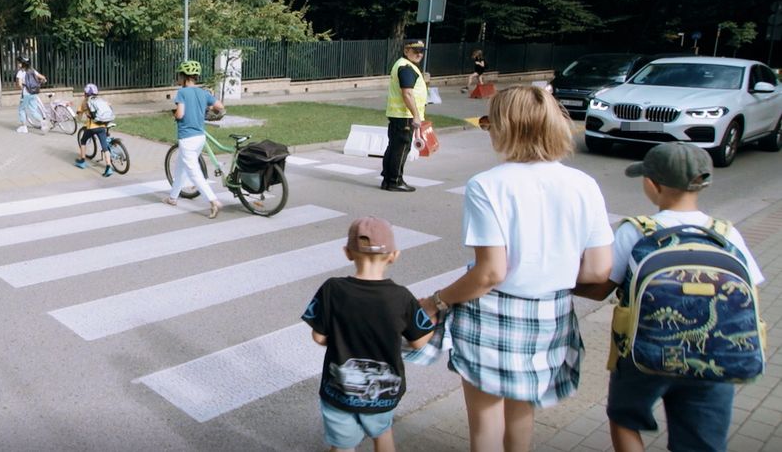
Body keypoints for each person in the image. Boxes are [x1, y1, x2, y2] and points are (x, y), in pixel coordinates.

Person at [418, 85, 614, 452]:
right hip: (549, 316)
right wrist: (548, 271)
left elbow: (490, 273)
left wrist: (435, 302)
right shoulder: (584, 185)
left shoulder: (488, 185)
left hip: (493, 314)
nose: (488, 129)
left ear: (507, 127)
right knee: (522, 420)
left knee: (485, 428)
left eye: (489, 121)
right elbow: (599, 271)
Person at [574, 142, 764, 452]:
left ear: (652, 184)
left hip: (643, 354)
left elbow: (599, 287)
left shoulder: (636, 231)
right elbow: (751, 291)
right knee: (702, 440)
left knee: (624, 418)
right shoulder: (726, 234)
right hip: (715, 358)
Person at [302, 216, 434, 452]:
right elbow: (420, 341)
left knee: (341, 446)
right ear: (394, 255)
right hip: (382, 399)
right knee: (383, 435)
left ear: (347, 253)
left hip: (338, 391)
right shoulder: (402, 297)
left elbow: (318, 337)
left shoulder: (332, 289)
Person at [164, 60, 225, 218]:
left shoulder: (182, 93)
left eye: (179, 75)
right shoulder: (203, 92)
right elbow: (220, 106)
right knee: (180, 167)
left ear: (184, 77)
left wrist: (175, 114)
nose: (178, 78)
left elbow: (180, 114)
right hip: (200, 136)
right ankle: (173, 197)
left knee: (193, 172)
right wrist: (208, 107)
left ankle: (213, 201)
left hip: (187, 137)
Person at [381, 39, 427, 192]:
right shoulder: (406, 67)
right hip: (405, 115)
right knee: (401, 148)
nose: (419, 54)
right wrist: (416, 115)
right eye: (415, 51)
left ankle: (388, 179)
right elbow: (407, 93)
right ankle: (395, 181)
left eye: (421, 51)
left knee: (393, 146)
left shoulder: (402, 64)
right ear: (406, 50)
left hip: (398, 114)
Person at [73, 83, 114, 178]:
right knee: (104, 146)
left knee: (83, 141)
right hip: (103, 125)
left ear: (86, 93)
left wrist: (80, 116)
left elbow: (79, 117)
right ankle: (108, 167)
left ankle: (82, 161)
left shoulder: (85, 102)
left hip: (91, 127)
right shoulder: (100, 100)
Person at [15, 56, 48, 134]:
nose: (18, 64)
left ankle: (24, 127)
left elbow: (19, 85)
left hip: (26, 93)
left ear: (21, 64)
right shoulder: (32, 70)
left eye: (19, 63)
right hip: (34, 93)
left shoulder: (20, 72)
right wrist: (43, 80)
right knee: (33, 110)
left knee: (21, 109)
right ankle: (43, 123)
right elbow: (42, 77)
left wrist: (22, 87)